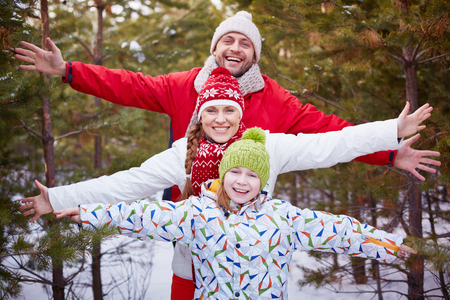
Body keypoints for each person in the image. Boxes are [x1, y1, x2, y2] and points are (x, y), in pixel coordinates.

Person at [21, 67, 434, 299]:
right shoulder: (183, 152)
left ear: (241, 114)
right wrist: (57, 198)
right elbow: (127, 187)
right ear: (201, 116)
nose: (221, 118)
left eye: (229, 110)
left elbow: (329, 145)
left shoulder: (266, 147)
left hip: (258, 252)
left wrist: (388, 132)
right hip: (197, 251)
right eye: (211, 111)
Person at [13, 11, 440, 185]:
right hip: (189, 198)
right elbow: (128, 83)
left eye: (245, 44)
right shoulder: (185, 85)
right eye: (228, 40)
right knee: (188, 279)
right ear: (216, 47)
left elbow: (331, 134)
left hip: (248, 201)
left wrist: (387, 153)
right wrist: (68, 72)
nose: (235, 48)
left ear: (254, 54)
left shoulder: (276, 99)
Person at [53, 127, 417, 300]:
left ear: (263, 180)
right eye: (236, 172)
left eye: (252, 175)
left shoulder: (283, 217)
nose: (242, 182)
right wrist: (87, 212)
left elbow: (340, 231)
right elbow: (143, 215)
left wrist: (392, 245)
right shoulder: (196, 214)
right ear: (223, 174)